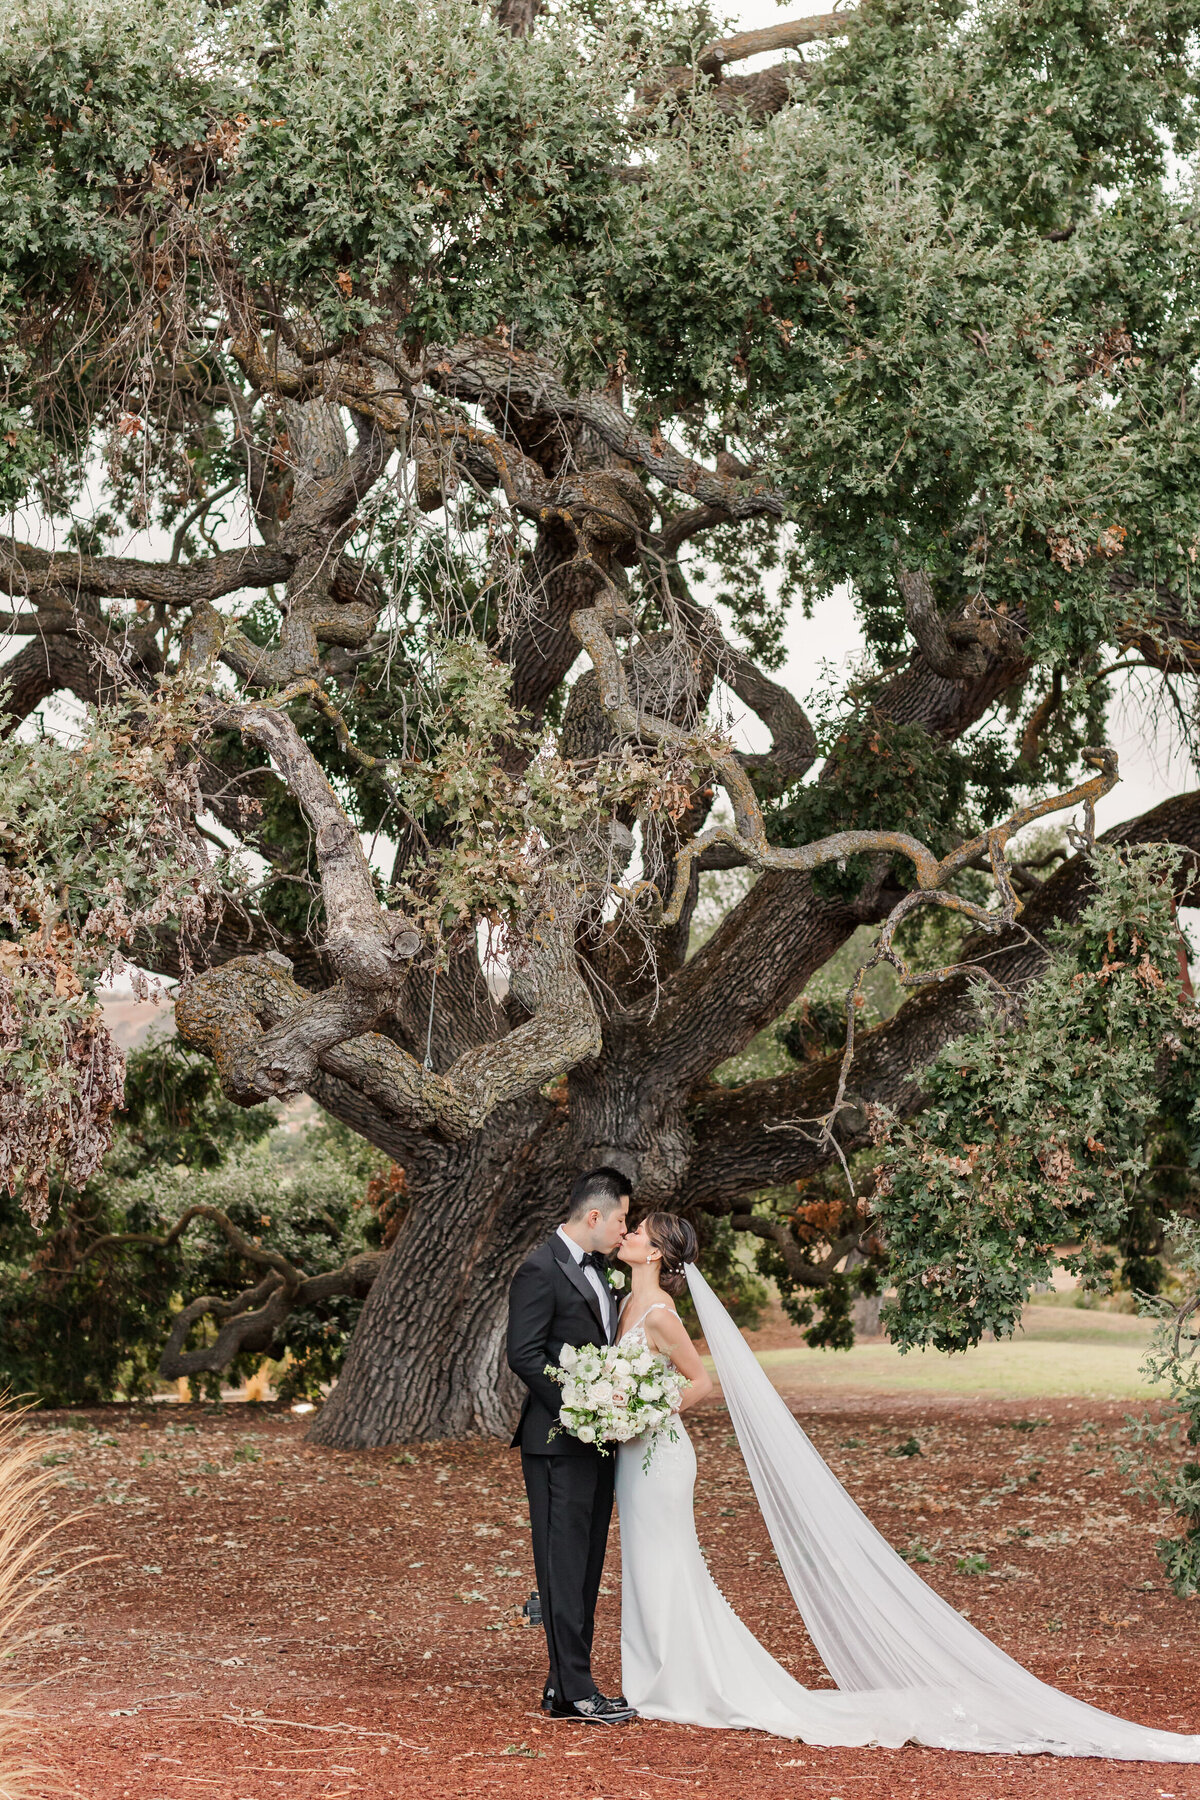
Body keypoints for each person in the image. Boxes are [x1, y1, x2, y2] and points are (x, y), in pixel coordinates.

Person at [611, 1210, 1200, 1762]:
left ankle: (678, 1681)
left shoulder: (660, 1312)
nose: (629, 1232)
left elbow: (700, 1383)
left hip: (660, 1457)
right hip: (632, 1456)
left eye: (637, 1230)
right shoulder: (624, 1306)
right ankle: (656, 1673)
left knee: (668, 1560)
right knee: (643, 1562)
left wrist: (646, 1412)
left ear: (658, 1253)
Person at [505, 1167, 635, 1725]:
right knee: (562, 1564)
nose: (625, 1230)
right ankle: (576, 1690)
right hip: (558, 1441)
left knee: (584, 1565)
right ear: (594, 1216)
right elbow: (525, 1355)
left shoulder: (602, 1271)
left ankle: (564, 1688)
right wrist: (580, 1406)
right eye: (623, 1218)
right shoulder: (539, 1268)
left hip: (597, 1441)